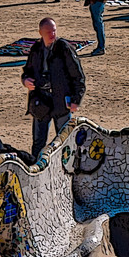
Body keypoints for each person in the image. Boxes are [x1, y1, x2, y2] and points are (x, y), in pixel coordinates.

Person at [21, 18, 83, 158]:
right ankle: (36, 170)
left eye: (54, 30)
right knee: (38, 142)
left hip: (61, 102)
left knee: (64, 141)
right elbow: (27, 70)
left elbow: (78, 76)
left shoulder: (64, 48)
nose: (52, 34)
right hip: (41, 101)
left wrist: (76, 100)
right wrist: (25, 80)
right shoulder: (36, 49)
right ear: (40, 33)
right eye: (48, 32)